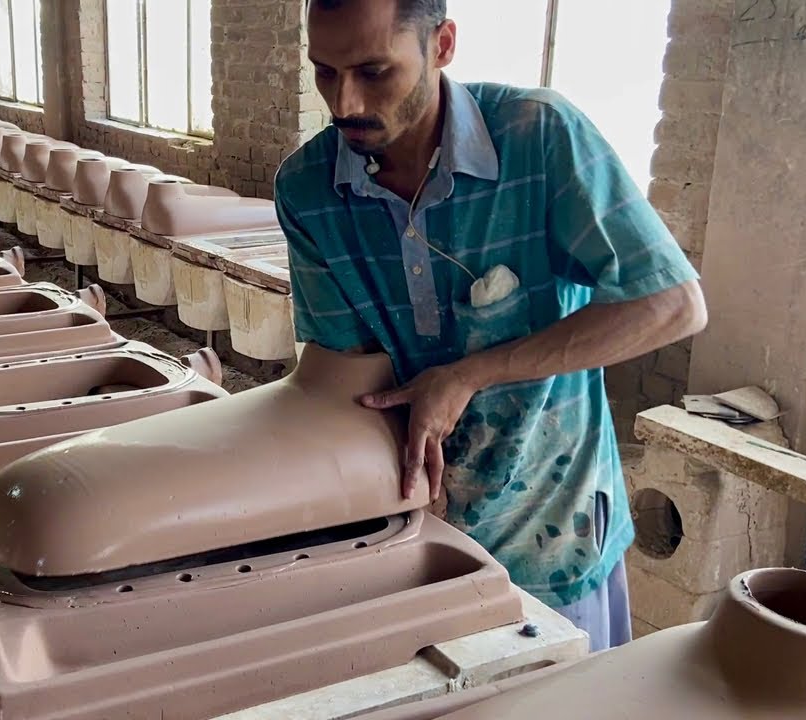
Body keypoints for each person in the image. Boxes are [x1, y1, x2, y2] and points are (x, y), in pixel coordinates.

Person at [275, 0, 708, 651]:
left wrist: (470, 374)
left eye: (373, 71)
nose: (345, 103)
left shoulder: (540, 137)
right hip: (415, 536)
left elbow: (672, 304)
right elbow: (344, 371)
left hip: (555, 532)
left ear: (442, 44)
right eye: (325, 72)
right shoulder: (308, 189)